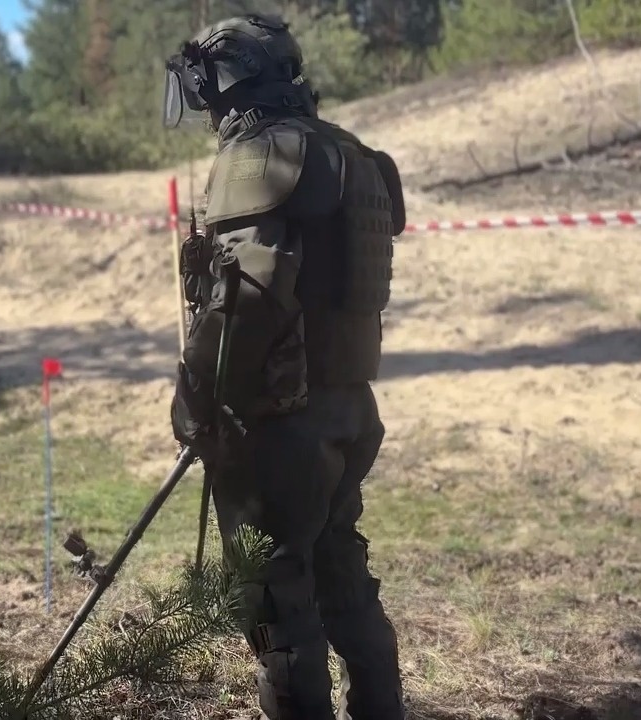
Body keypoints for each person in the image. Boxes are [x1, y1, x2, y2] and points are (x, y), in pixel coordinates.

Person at [163, 14, 409, 720]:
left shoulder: (263, 155)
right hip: (349, 413)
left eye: (205, 90)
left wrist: (200, 397)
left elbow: (250, 297)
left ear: (229, 81)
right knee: (342, 579)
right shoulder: (350, 152)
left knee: (277, 605)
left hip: (281, 426)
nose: (205, 109)